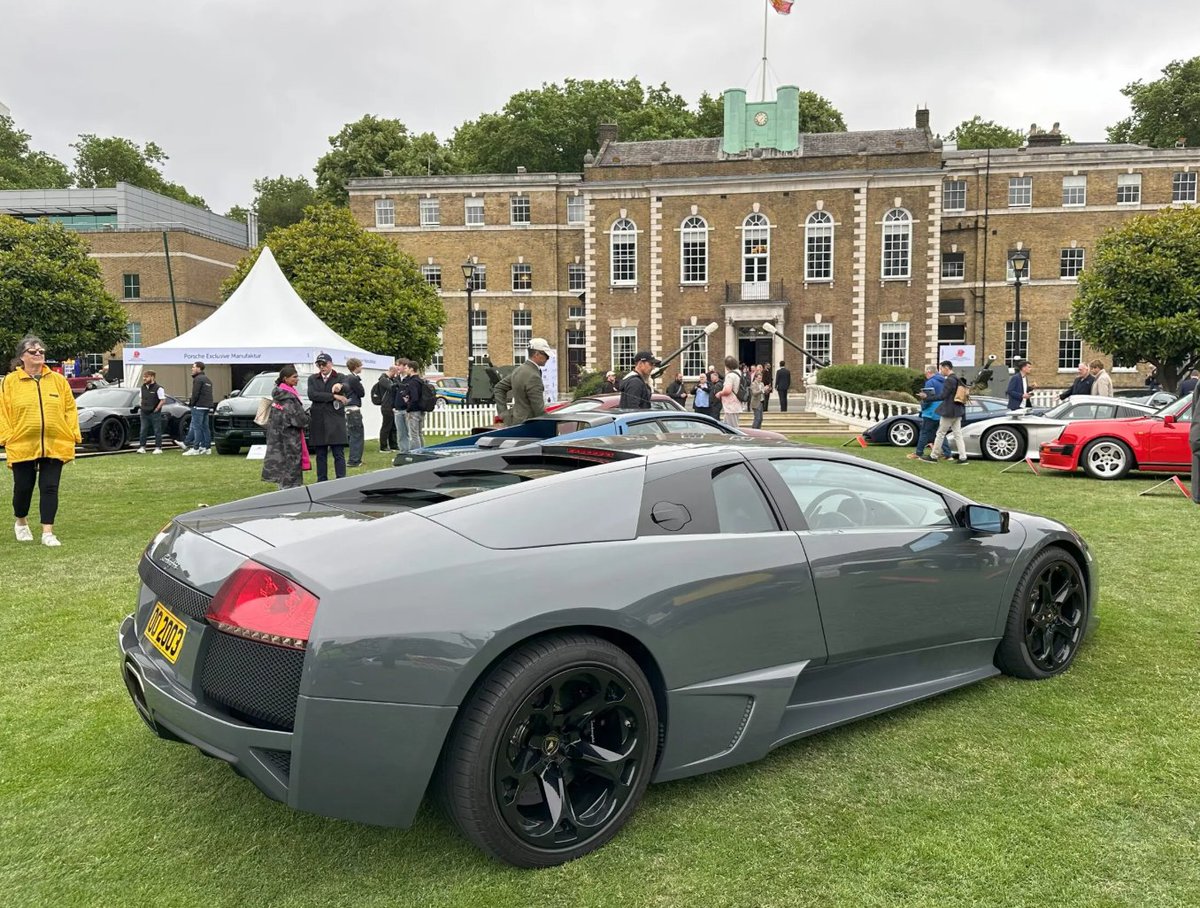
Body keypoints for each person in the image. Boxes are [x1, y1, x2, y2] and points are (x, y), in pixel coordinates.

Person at [0, 335, 81, 546]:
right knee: (23, 487)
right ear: (22, 357)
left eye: (41, 351)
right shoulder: (10, 382)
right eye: (33, 351)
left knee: (50, 487)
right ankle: (21, 522)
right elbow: (2, 411)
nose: (38, 354)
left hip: (55, 442)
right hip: (22, 443)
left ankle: (47, 532)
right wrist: (7, 436)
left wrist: (72, 433)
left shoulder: (58, 381)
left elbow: (70, 409)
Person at [261, 365, 311, 490]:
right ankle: (290, 489)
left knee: (280, 463)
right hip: (289, 438)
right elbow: (299, 420)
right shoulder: (288, 398)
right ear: (285, 379)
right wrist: (309, 415)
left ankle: (283, 487)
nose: (297, 379)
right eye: (294, 377)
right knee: (291, 464)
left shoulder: (278, 395)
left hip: (276, 436)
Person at [307, 352, 348, 481]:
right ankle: (321, 480)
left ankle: (341, 480)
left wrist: (340, 386)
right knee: (320, 453)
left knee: (338, 453)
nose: (322, 367)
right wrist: (333, 396)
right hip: (318, 419)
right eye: (319, 365)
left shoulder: (340, 376)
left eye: (324, 364)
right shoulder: (313, 378)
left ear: (331, 364)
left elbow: (348, 385)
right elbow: (312, 395)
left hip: (335, 419)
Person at [494, 338, 552, 425]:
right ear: (536, 354)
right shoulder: (533, 376)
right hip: (530, 425)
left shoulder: (519, 370)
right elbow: (539, 410)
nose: (548, 358)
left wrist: (503, 414)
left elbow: (499, 388)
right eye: (546, 355)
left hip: (515, 421)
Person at [926, 360, 968, 464]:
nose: (940, 372)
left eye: (941, 369)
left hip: (949, 411)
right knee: (958, 434)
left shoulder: (949, 380)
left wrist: (927, 397)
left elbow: (943, 396)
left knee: (940, 433)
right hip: (958, 410)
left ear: (946, 368)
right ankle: (963, 458)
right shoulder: (958, 379)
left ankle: (933, 456)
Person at [909, 365, 952, 461]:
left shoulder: (930, 382)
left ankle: (918, 453)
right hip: (941, 410)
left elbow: (928, 399)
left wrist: (923, 404)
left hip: (930, 412)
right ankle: (948, 454)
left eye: (926, 373)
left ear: (929, 372)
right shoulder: (944, 382)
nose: (925, 375)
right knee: (940, 433)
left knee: (924, 432)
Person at [181, 361, 214, 455]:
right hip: (206, 407)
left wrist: (191, 403)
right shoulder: (208, 380)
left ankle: (195, 448)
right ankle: (206, 448)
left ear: (199, 368)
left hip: (198, 406)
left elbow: (195, 394)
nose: (192, 368)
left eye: (193, 367)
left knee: (197, 427)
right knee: (205, 427)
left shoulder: (198, 379)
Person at [396, 358, 428, 451]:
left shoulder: (413, 382)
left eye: (407, 368)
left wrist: (408, 405)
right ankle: (422, 451)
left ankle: (416, 453)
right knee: (419, 433)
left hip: (414, 411)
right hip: (421, 409)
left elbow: (414, 397)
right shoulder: (420, 380)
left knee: (414, 435)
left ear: (411, 369)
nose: (406, 370)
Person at [341, 357, 366, 467]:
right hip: (354, 408)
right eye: (360, 365)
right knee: (357, 434)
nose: (361, 367)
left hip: (348, 409)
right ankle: (355, 460)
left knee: (352, 434)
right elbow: (361, 393)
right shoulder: (353, 379)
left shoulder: (346, 378)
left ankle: (353, 458)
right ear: (356, 367)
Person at [137, 369, 166, 454]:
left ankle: (158, 447)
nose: (144, 378)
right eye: (144, 377)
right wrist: (141, 407)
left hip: (154, 412)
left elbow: (162, 400)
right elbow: (141, 398)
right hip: (144, 412)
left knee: (157, 430)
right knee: (143, 430)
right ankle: (142, 447)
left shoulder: (159, 388)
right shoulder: (142, 387)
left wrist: (157, 409)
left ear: (152, 377)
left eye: (146, 377)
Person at [373, 364, 398, 452]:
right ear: (393, 371)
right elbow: (392, 388)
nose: (397, 374)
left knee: (393, 426)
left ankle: (393, 445)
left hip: (391, 405)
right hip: (386, 406)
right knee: (386, 426)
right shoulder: (383, 380)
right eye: (396, 372)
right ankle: (383, 446)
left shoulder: (390, 379)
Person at [715, 355, 744, 428]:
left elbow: (727, 390)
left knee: (732, 428)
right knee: (726, 426)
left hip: (731, 406)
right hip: (735, 403)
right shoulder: (739, 373)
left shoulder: (730, 376)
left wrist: (720, 393)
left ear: (727, 366)